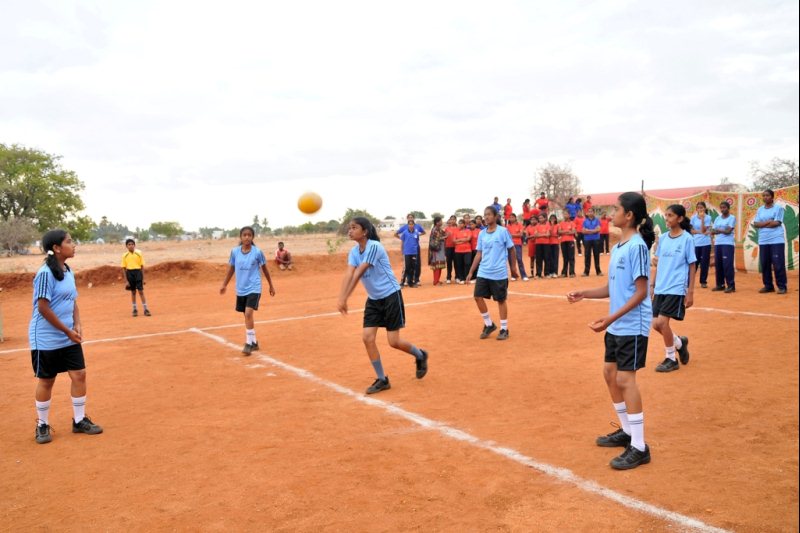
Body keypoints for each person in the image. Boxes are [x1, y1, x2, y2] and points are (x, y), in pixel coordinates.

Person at [567, 192, 655, 470]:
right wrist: (585, 293)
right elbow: (611, 287)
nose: (611, 213)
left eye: (616, 209)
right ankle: (627, 431)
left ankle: (639, 446)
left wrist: (610, 318)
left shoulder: (637, 247)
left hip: (632, 324)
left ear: (629, 215)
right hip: (617, 323)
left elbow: (641, 292)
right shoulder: (618, 247)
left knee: (626, 379)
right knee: (609, 374)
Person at [337, 217, 428, 394]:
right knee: (367, 338)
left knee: (393, 342)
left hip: (391, 296)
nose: (350, 231)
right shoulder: (354, 252)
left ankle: (420, 355)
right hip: (374, 299)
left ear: (365, 232)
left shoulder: (374, 247)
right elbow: (349, 274)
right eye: (349, 228)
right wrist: (341, 297)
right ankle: (382, 379)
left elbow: (359, 272)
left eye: (354, 228)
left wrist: (345, 297)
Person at [30, 230, 103, 444]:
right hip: (46, 337)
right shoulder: (45, 273)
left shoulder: (68, 270)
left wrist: (77, 324)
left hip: (67, 334)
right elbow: (43, 308)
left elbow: (72, 301)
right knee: (47, 380)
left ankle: (79, 421)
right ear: (56, 248)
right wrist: (67, 330)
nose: (74, 244)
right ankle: (42, 425)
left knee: (79, 374)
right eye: (69, 241)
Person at [652, 204, 696, 373]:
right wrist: (652, 285)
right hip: (661, 286)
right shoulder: (663, 238)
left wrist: (690, 292)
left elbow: (692, 265)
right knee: (655, 324)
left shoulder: (687, 239)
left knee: (662, 322)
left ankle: (671, 358)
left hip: (676, 287)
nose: (667, 218)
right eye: (666, 215)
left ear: (680, 218)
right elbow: (658, 263)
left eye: (670, 215)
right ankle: (679, 343)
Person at [220, 226, 276, 355]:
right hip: (241, 288)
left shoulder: (257, 252)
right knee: (246, 316)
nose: (247, 237)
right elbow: (231, 269)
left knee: (248, 313)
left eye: (249, 235)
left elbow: (265, 269)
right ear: (240, 237)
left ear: (252, 237)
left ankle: (248, 344)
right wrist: (224, 284)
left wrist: (271, 285)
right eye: (244, 235)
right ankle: (254, 342)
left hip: (254, 287)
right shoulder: (235, 252)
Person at [466, 206, 519, 340]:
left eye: (489, 214)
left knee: (501, 300)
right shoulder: (482, 234)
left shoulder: (503, 231)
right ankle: (489, 324)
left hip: (499, 272)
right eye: (485, 214)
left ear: (495, 216)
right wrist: (471, 272)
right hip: (483, 271)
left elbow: (512, 250)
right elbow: (479, 253)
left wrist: (513, 268)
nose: (486, 217)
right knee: (477, 297)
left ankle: (504, 329)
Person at [753, 189, 788, 294]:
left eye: (767, 195)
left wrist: (763, 224)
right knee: (765, 264)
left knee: (778, 264)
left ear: (772, 197)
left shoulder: (778, 208)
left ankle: (782, 286)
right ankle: (768, 286)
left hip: (776, 239)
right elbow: (756, 224)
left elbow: (777, 223)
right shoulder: (760, 210)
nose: (765, 197)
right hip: (763, 240)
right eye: (764, 195)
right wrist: (768, 221)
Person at [121, 238, 151, 317]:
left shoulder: (139, 253)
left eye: (132, 244)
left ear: (134, 245)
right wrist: (126, 281)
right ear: (126, 246)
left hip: (138, 273)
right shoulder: (125, 255)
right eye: (129, 244)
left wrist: (143, 278)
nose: (131, 246)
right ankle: (134, 309)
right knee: (133, 292)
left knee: (141, 291)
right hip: (129, 273)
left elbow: (142, 266)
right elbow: (124, 268)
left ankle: (146, 309)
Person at [710, 201, 736, 293]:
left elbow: (728, 231)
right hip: (718, 243)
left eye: (724, 207)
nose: (722, 209)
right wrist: (721, 230)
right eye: (721, 208)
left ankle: (731, 286)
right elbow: (712, 231)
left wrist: (718, 230)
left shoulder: (732, 218)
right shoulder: (717, 218)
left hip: (727, 244)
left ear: (728, 208)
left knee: (727, 265)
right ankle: (720, 285)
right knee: (718, 264)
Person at [395, 214, 426, 286]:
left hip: (415, 249)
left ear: (414, 218)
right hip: (407, 250)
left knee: (416, 265)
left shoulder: (417, 227)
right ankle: (405, 281)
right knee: (407, 266)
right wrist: (403, 239)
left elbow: (422, 234)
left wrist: (418, 235)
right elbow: (396, 234)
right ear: (407, 219)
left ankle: (416, 280)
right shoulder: (405, 228)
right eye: (409, 217)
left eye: (411, 217)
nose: (410, 219)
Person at [690, 202, 712, 288]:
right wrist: (700, 232)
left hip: (706, 243)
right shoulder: (693, 218)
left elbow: (703, 230)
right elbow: (691, 231)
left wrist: (702, 219)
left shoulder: (708, 217)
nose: (700, 209)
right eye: (698, 208)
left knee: (704, 263)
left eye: (701, 207)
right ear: (696, 209)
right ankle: (690, 281)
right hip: (696, 243)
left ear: (704, 208)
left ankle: (703, 282)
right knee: (694, 262)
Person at [505, 213, 529, 281]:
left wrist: (511, 235)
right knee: (511, 260)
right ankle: (513, 275)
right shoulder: (507, 226)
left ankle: (523, 275)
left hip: (517, 244)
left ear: (515, 218)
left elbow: (521, 235)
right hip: (509, 245)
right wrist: (515, 235)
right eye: (510, 217)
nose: (511, 218)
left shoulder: (519, 225)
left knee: (519, 259)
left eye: (512, 217)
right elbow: (506, 235)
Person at [582, 208, 602, 276]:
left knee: (596, 255)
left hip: (596, 239)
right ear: (587, 213)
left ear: (594, 212)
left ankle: (598, 271)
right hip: (587, 239)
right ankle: (586, 272)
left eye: (591, 211)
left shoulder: (597, 220)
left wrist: (588, 231)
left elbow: (598, 229)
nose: (590, 213)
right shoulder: (585, 221)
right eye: (589, 211)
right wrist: (593, 231)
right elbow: (583, 231)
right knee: (587, 255)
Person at [428, 216, 447, 286]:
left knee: (439, 265)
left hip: (440, 249)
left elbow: (443, 234)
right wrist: (445, 237)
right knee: (437, 265)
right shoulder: (435, 229)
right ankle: (436, 281)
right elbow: (438, 238)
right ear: (437, 222)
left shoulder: (439, 229)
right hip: (436, 250)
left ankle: (437, 280)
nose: (442, 222)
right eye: (440, 221)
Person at [454, 219, 473, 284]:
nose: (460, 224)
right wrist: (463, 240)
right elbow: (454, 241)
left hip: (467, 250)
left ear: (464, 224)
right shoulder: (456, 232)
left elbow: (468, 239)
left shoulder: (468, 231)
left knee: (467, 264)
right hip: (458, 251)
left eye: (461, 223)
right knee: (460, 265)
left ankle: (467, 278)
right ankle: (461, 279)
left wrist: (459, 240)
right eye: (459, 223)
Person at [559, 209, 576, 277]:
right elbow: (559, 232)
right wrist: (568, 231)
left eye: (566, 214)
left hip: (570, 241)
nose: (565, 215)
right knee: (565, 257)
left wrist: (564, 232)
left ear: (569, 215)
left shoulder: (572, 223)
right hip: (563, 241)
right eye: (564, 214)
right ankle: (564, 273)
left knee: (571, 257)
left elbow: (573, 232)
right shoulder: (561, 223)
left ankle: (572, 272)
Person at [534, 213, 550, 278]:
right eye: (539, 218)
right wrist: (544, 234)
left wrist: (539, 235)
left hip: (546, 244)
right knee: (538, 259)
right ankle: (538, 274)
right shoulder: (537, 226)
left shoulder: (547, 225)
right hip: (538, 244)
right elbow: (535, 235)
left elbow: (548, 235)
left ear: (545, 218)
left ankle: (547, 273)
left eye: (541, 218)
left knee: (547, 258)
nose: (540, 219)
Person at [444, 215, 458, 284]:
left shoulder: (458, 228)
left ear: (456, 220)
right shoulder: (446, 229)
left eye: (454, 219)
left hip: (456, 248)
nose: (452, 221)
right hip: (448, 247)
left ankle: (457, 277)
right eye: (451, 219)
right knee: (449, 263)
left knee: (456, 263)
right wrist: (444, 249)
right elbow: (444, 239)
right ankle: (448, 277)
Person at [547, 213, 560, 279]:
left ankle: (555, 272)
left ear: (555, 219)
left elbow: (559, 234)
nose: (552, 220)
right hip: (549, 243)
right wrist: (551, 226)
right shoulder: (548, 225)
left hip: (555, 243)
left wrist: (553, 235)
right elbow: (549, 233)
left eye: (553, 218)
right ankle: (550, 272)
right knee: (550, 258)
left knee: (555, 258)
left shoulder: (557, 225)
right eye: (551, 218)